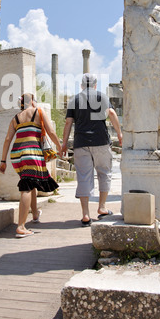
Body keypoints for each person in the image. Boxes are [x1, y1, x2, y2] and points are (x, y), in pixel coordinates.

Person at [61, 73, 122, 226]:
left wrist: (63, 144)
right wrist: (120, 135)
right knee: (104, 172)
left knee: (83, 176)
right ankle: (102, 207)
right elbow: (112, 114)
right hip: (101, 141)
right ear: (95, 85)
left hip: (81, 142)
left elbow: (68, 123)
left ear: (81, 85)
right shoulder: (102, 97)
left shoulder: (74, 100)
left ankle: (85, 215)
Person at [0, 93, 62, 238]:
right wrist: (59, 146)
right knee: (27, 186)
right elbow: (51, 131)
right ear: (32, 102)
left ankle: (34, 214)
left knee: (30, 181)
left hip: (16, 155)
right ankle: (21, 226)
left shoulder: (15, 118)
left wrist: (3, 161)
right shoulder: (38, 111)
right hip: (31, 152)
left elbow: (8, 139)